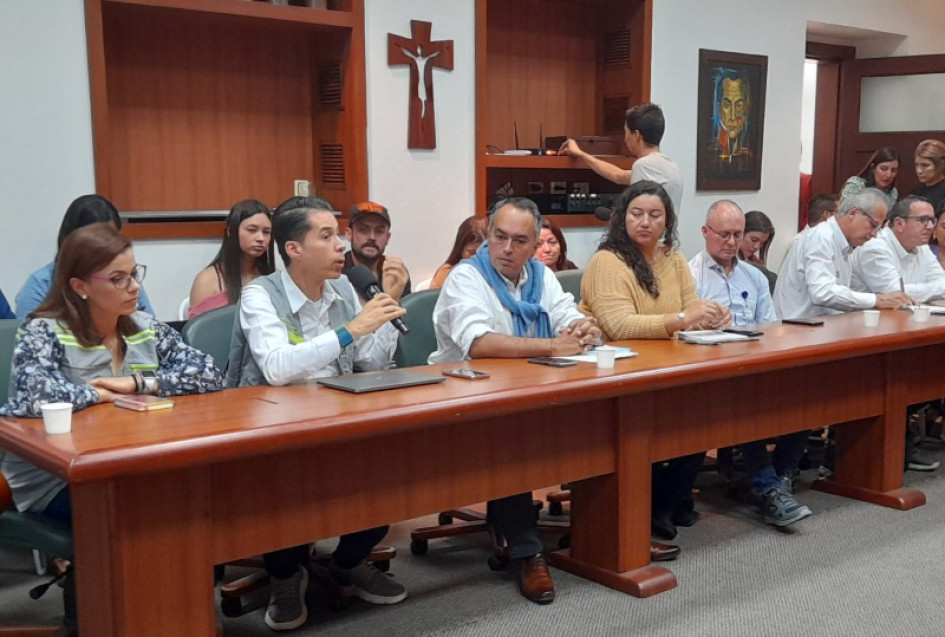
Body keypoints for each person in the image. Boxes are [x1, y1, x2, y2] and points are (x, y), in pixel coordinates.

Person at [0, 223, 223, 633]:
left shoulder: (143, 326)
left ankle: (175, 616)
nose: (133, 287)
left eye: (135, 273)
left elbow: (209, 374)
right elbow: (33, 395)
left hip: (132, 462)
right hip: (55, 478)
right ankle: (98, 616)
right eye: (118, 279)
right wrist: (99, 395)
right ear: (80, 286)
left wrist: (139, 384)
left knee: (193, 503)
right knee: (151, 513)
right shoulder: (43, 330)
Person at [226, 198, 408, 631]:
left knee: (395, 469)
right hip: (270, 423)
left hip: (338, 413)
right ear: (294, 249)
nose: (342, 245)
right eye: (326, 236)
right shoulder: (259, 295)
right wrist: (350, 329)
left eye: (339, 234)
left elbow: (371, 362)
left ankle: (348, 561)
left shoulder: (344, 289)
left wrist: (382, 314)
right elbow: (275, 367)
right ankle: (286, 575)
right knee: (284, 489)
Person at [428, 197, 604, 605]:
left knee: (602, 421)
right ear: (488, 235)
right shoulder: (466, 278)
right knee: (511, 438)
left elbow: (566, 317)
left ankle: (605, 535)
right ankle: (529, 553)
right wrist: (554, 343)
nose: (507, 248)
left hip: (533, 390)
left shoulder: (540, 276)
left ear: (533, 245)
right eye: (499, 237)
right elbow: (480, 342)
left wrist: (584, 328)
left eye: (519, 240)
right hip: (465, 398)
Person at [579, 180, 728, 541]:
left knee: (703, 416)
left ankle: (665, 499)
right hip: (616, 370)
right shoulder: (607, 260)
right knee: (667, 421)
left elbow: (690, 305)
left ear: (667, 221)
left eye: (655, 215)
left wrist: (711, 314)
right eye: (636, 214)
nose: (645, 222)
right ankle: (655, 504)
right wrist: (682, 319)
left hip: (666, 363)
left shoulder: (672, 258)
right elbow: (618, 326)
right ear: (622, 219)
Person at [689, 201, 811, 527]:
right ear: (705, 232)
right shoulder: (689, 276)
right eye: (723, 234)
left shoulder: (755, 278)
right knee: (743, 404)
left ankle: (782, 475)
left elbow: (769, 328)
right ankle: (770, 488)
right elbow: (680, 334)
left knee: (807, 394)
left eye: (737, 235)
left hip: (754, 364)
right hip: (710, 371)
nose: (731, 242)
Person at [851, 196, 943, 472]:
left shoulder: (922, 248)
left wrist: (912, 290)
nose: (930, 227)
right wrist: (918, 291)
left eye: (932, 220)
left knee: (924, 378)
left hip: (908, 330)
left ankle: (901, 445)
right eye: (923, 220)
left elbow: (941, 283)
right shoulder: (876, 249)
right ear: (899, 223)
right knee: (901, 382)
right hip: (865, 336)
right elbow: (895, 295)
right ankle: (876, 454)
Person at [773, 188, 912, 319]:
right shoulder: (821, 237)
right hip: (795, 332)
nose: (874, 234)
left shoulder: (846, 245)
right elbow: (822, 293)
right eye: (873, 225)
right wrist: (876, 300)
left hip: (822, 329)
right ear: (853, 213)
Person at [16, 194, 156, 318]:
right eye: (98, 241)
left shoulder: (127, 280)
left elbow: (152, 331)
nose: (133, 286)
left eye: (113, 238)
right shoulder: (38, 287)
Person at [558, 103, 683, 215]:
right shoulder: (670, 166)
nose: (625, 139)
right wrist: (581, 154)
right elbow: (618, 175)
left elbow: (638, 215)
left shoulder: (643, 165)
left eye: (626, 133)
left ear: (637, 135)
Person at [188, 199, 274, 319]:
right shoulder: (207, 280)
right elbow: (201, 334)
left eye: (266, 232)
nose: (260, 238)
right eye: (252, 230)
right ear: (230, 231)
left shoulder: (274, 278)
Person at [342, 201, 411, 300]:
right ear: (349, 234)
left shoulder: (395, 272)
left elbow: (405, 313)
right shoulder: (336, 272)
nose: (372, 237)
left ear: (387, 238)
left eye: (379, 231)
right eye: (363, 230)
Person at [430, 215, 487, 288]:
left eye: (483, 253)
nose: (477, 258)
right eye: (472, 253)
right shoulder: (446, 273)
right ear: (460, 249)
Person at [841, 147, 900, 211]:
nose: (889, 175)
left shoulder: (893, 193)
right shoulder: (856, 184)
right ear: (873, 168)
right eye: (884, 169)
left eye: (893, 170)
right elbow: (844, 213)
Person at [911, 139, 945, 211]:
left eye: (925, 165)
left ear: (939, 165)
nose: (919, 171)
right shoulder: (916, 191)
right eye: (917, 165)